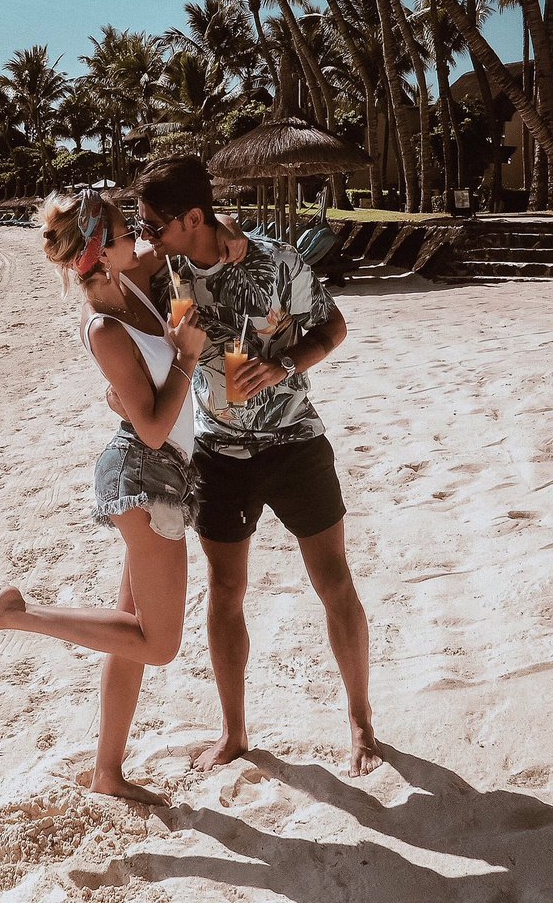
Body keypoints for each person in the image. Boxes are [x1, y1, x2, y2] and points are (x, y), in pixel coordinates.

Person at [0, 189, 207, 804]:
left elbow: (169, 234)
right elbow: (148, 425)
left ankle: (107, 773)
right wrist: (188, 360)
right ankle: (16, 613)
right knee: (160, 643)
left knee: (129, 632)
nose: (136, 236)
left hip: (163, 471)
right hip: (147, 477)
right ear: (101, 252)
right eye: (122, 231)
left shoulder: (134, 280)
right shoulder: (104, 329)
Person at [132, 156, 382, 779]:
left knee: (334, 583)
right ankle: (235, 731)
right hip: (220, 451)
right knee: (226, 592)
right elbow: (97, 258)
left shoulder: (276, 261)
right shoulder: (168, 270)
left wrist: (288, 364)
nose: (148, 237)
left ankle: (360, 720)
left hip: (296, 443)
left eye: (157, 225)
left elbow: (334, 325)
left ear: (194, 217)